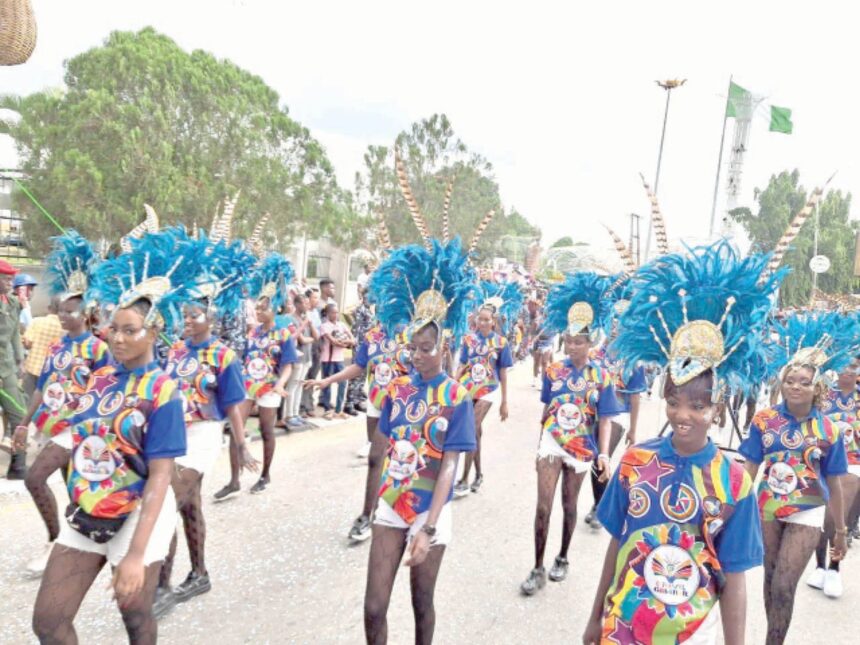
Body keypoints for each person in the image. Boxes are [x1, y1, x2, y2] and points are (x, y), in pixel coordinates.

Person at [584, 240, 776, 644]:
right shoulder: (635, 462)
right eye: (674, 402)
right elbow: (617, 545)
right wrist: (595, 617)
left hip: (693, 633)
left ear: (717, 409)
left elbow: (735, 576)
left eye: (698, 405)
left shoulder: (734, 481)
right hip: (625, 626)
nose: (683, 415)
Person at [32, 238, 188, 644]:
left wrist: (135, 555)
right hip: (88, 509)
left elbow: (159, 475)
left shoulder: (164, 392)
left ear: (153, 332)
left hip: (138, 514)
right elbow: (80, 436)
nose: (117, 338)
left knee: (135, 617)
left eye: (129, 330)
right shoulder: (100, 379)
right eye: (114, 329)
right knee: (49, 622)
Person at [361, 237, 477, 645]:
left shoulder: (457, 397)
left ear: (443, 346)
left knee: (420, 603)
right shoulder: (398, 389)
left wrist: (427, 527)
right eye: (413, 348)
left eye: (426, 348)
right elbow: (385, 441)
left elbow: (449, 465)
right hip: (393, 502)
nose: (418, 356)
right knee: (374, 607)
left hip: (431, 508)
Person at [739, 311, 850, 645]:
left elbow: (835, 482)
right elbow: (750, 468)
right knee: (770, 580)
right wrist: (738, 511)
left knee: (785, 586)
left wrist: (841, 532)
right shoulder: (764, 420)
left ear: (816, 387)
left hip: (808, 509)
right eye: (790, 380)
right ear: (781, 383)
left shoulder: (829, 429)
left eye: (804, 382)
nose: (795, 386)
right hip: (767, 507)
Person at [153, 279, 261, 617]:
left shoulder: (223, 355)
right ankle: (199, 574)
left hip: (202, 436)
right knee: (188, 505)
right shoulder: (175, 351)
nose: (187, 320)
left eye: (194, 314)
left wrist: (241, 444)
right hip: (173, 435)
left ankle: (160, 587)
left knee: (167, 502)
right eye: (184, 315)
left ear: (210, 319)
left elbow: (233, 403)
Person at [12, 232, 109, 577]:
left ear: (86, 314)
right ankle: (71, 542)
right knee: (71, 489)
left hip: (79, 430)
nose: (64, 317)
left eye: (71, 312)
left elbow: (107, 396)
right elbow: (41, 387)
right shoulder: (56, 347)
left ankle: (56, 541)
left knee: (35, 478)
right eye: (61, 311)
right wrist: (25, 422)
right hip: (51, 426)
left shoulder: (99, 349)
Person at [521, 272, 622, 596]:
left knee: (568, 505)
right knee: (542, 506)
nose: (572, 346)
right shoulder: (553, 371)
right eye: (568, 340)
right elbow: (547, 410)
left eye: (579, 341)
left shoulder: (602, 375)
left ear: (590, 343)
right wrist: (539, 448)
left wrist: (603, 455)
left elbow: (605, 419)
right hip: (552, 442)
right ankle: (536, 567)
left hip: (581, 447)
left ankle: (562, 556)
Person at [305, 318, 408, 541]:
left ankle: (368, 515)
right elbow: (358, 366)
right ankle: (382, 505)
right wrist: (327, 381)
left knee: (379, 458)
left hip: (402, 406)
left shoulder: (412, 333)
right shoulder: (372, 336)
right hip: (376, 402)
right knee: (379, 457)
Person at [215, 255, 298, 498]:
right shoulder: (252, 332)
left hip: (271, 389)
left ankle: (265, 475)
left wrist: (281, 384)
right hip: (248, 386)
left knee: (266, 431)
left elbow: (287, 365)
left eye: (264, 308)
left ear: (276, 308)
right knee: (236, 428)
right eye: (258, 307)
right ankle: (233, 480)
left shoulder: (283, 333)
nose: (259, 311)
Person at [811, 356, 860, 597]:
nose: (848, 372)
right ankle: (820, 566)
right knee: (822, 515)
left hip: (853, 461)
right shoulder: (823, 394)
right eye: (843, 367)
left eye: (853, 367)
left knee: (838, 513)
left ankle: (834, 568)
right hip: (822, 459)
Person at [453, 302, 512, 496]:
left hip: (489, 390)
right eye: (481, 319)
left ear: (493, 321)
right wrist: (452, 385)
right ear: (476, 320)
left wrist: (504, 401)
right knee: (476, 433)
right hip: (468, 390)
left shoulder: (502, 343)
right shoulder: (469, 340)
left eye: (487, 319)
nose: (484, 322)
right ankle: (478, 474)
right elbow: (462, 364)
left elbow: (502, 372)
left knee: (471, 427)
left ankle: (464, 479)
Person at [0, 259, 28, 479]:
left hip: (7, 368)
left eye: (11, 278)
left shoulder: (12, 303)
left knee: (19, 414)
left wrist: (20, 362)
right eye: (6, 278)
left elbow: (14, 336)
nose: (11, 282)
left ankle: (18, 466)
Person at [283, 293, 317, 428]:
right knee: (293, 385)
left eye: (308, 303)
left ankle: (296, 413)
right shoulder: (291, 319)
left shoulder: (306, 318)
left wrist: (310, 325)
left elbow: (316, 336)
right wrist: (305, 325)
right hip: (297, 357)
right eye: (304, 303)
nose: (307, 305)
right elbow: (301, 339)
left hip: (307, 356)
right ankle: (288, 415)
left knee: (299, 386)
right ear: (297, 304)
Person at [318, 303, 355, 420]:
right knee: (327, 384)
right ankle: (327, 409)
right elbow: (333, 341)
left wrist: (346, 341)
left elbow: (353, 340)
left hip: (339, 359)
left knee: (343, 383)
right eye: (333, 312)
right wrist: (345, 342)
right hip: (327, 359)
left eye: (337, 312)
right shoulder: (324, 326)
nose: (336, 314)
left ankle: (339, 410)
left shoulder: (341, 325)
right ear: (328, 313)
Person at [21, 299, 63, 399]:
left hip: (32, 368)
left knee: (27, 399)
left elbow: (28, 344)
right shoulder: (63, 328)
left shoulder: (37, 321)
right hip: (50, 373)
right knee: (45, 402)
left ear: (49, 308)